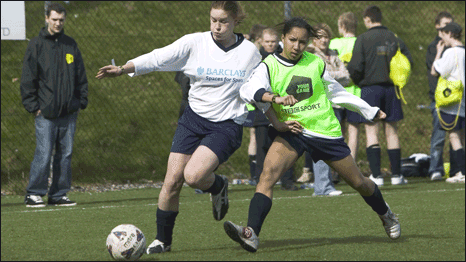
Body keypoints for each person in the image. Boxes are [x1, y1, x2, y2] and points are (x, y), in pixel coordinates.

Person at [96, 1, 262, 255]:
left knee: (193, 176)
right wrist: (123, 69)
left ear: (236, 20)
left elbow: (263, 86)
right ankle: (163, 240)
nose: (217, 26)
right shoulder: (194, 43)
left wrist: (279, 116)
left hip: (226, 125)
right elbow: (158, 57)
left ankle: (217, 186)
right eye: (213, 20)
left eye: (223, 21)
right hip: (193, 120)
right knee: (172, 181)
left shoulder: (250, 52)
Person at [224, 17, 401, 253]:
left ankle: (386, 214)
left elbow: (336, 92)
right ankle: (252, 233)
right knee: (266, 177)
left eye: (302, 42)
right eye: (292, 40)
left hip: (323, 130)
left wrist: (368, 109)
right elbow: (248, 91)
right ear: (283, 39)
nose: (297, 46)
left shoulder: (315, 63)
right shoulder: (269, 66)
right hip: (293, 130)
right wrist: (274, 99)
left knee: (358, 182)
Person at [20, 3, 88, 208]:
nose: (58, 23)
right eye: (54, 19)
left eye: (61, 20)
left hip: (68, 111)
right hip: (45, 113)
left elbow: (81, 76)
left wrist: (80, 101)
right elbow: (28, 78)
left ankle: (58, 194)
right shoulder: (36, 45)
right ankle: (34, 193)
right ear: (47, 19)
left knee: (65, 154)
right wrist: (33, 106)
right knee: (44, 151)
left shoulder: (70, 45)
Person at [347, 6, 413, 186]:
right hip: (391, 89)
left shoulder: (363, 38)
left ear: (367, 19)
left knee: (371, 131)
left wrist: (359, 80)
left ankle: (377, 176)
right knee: (392, 131)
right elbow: (408, 61)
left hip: (370, 90)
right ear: (380, 18)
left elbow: (355, 67)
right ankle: (397, 176)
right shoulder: (394, 37)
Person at [302, 22, 351, 196]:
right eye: (319, 37)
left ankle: (324, 185)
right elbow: (320, 77)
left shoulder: (333, 54)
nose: (323, 40)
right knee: (323, 144)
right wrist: (334, 76)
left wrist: (332, 76)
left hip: (336, 105)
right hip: (320, 106)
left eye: (326, 36)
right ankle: (323, 186)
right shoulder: (311, 55)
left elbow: (346, 77)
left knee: (331, 144)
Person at [251, 27, 299, 191]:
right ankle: (260, 180)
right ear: (261, 42)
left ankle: (288, 181)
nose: (270, 45)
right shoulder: (256, 59)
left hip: (283, 109)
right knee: (262, 147)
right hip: (262, 110)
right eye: (267, 42)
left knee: (287, 145)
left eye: (273, 42)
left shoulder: (283, 57)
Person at [426, 12, 460, 181]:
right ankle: (436, 169)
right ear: (437, 27)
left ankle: (456, 169)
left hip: (457, 100)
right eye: (445, 24)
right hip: (440, 100)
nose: (448, 28)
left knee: (457, 136)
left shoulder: (456, 49)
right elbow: (434, 73)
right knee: (439, 137)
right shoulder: (434, 48)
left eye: (450, 24)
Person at [431, 22, 465, 183]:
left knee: (454, 136)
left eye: (444, 34)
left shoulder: (452, 53)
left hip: (454, 101)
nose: (442, 37)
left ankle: (462, 172)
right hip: (463, 99)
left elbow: (436, 70)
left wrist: (438, 52)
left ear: (450, 34)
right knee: (461, 136)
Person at [329, 12, 362, 162]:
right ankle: (352, 163)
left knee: (338, 130)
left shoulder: (334, 43)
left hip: (337, 93)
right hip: (356, 92)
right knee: (354, 130)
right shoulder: (360, 42)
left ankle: (339, 164)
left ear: (342, 26)